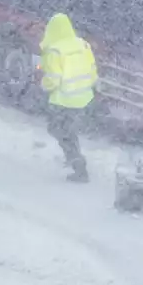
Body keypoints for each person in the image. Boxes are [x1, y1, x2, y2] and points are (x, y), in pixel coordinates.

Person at [39, 13, 98, 183]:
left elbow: (53, 80)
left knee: (59, 130)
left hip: (63, 100)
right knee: (68, 131)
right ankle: (74, 158)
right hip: (85, 98)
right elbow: (93, 74)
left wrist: (43, 85)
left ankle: (78, 166)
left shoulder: (54, 50)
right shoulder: (83, 45)